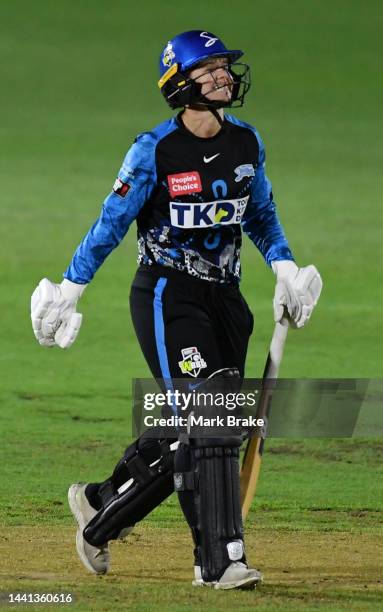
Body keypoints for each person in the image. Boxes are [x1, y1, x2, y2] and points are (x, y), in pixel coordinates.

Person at [31, 30, 322, 590]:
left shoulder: (245, 142)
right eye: (209, 70)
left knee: (195, 430)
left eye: (223, 69)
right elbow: (110, 222)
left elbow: (259, 213)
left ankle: (100, 507)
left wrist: (285, 267)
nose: (223, 78)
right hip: (168, 297)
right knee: (212, 417)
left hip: (228, 302)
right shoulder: (155, 150)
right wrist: (70, 289)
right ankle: (220, 560)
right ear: (180, 84)